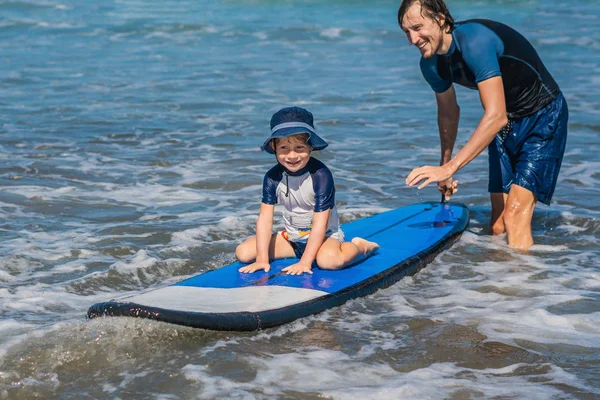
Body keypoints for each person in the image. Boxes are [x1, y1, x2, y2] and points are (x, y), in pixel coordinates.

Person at [398, 0, 568, 249]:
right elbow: (448, 113)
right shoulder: (431, 64)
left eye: (417, 27)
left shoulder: (475, 42)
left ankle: (521, 286)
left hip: (543, 116)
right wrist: (446, 166)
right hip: (506, 124)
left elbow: (495, 115)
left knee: (515, 216)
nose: (413, 39)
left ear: (441, 19)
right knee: (498, 224)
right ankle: (495, 284)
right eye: (406, 32)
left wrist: (451, 167)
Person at [236, 106, 379, 275]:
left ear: (310, 146)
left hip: (324, 238)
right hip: (292, 239)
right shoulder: (272, 177)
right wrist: (262, 259)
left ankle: (360, 248)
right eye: (284, 148)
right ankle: (295, 252)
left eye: (299, 148)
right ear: (274, 147)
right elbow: (265, 219)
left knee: (329, 261)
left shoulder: (320, 175)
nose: (292, 156)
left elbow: (320, 222)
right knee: (244, 253)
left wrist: (305, 262)